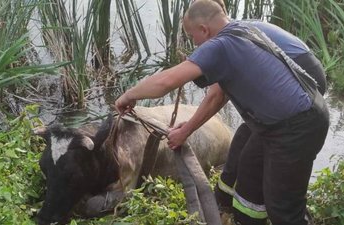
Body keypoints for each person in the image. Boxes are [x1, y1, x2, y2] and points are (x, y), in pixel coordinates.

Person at [115, 1, 330, 225]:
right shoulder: (244, 31)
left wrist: (129, 95)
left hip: (297, 125)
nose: (194, 43)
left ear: (204, 30)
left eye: (191, 36)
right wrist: (186, 129)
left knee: (283, 207)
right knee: (248, 171)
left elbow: (166, 81)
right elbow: (217, 96)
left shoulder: (220, 45)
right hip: (283, 120)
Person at [205, 0, 328, 220]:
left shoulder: (231, 40)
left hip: (302, 82)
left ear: (206, 26)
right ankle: (228, 203)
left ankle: (266, 208)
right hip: (307, 76)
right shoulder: (238, 29)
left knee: (258, 161)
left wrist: (185, 132)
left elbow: (216, 96)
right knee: (245, 143)